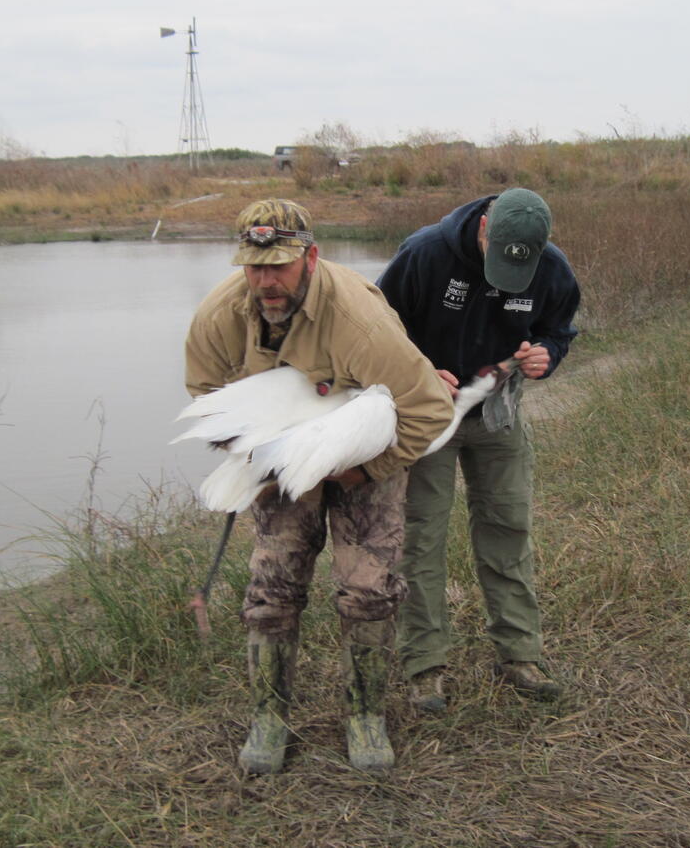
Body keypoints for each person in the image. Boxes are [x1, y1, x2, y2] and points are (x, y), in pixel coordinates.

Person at [184, 198, 454, 775]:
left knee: (369, 589)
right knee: (272, 586)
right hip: (283, 455)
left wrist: (362, 471)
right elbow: (206, 397)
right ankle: (270, 718)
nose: (266, 280)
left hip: (366, 452)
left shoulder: (360, 320)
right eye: (254, 267)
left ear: (312, 255)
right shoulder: (219, 317)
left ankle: (364, 715)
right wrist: (254, 459)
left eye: (279, 265)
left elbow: (430, 411)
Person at [376, 188, 580, 711]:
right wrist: (416, 370)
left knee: (508, 527)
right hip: (427, 421)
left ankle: (519, 654)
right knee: (421, 539)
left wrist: (545, 355)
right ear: (485, 226)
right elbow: (377, 331)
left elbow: (558, 328)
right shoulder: (424, 254)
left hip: (497, 417)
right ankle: (425, 665)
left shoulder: (550, 267)